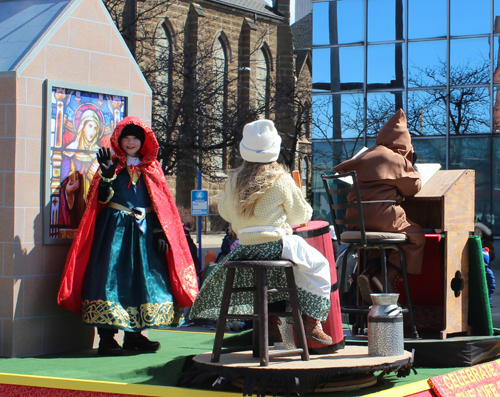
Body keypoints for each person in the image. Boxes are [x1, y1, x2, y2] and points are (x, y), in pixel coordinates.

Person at [57, 116, 199, 356]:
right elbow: (101, 200)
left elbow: (160, 206)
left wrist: (159, 232)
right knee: (110, 279)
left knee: (142, 280)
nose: (131, 142)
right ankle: (107, 338)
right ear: (119, 140)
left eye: (135, 138)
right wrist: (108, 175)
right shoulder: (111, 165)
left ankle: (135, 335)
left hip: (144, 236)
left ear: (143, 141)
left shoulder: (151, 169)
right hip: (114, 232)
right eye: (126, 137)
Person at [190, 119, 333, 345]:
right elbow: (300, 216)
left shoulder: (234, 180)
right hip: (274, 243)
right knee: (317, 265)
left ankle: (270, 320)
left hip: (245, 249)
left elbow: (226, 213)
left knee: (273, 274)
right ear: (274, 148)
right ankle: (311, 320)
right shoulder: (281, 179)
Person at [334, 109, 425, 304]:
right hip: (382, 217)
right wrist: (413, 168)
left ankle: (370, 271)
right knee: (416, 235)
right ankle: (389, 277)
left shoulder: (366, 153)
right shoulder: (395, 159)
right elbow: (413, 188)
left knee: (379, 242)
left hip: (355, 222)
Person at [475, 222, 496, 305]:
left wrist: (484, 255)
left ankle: (488, 303)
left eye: (478, 232)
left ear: (482, 234)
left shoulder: (488, 244)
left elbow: (492, 256)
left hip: (485, 267)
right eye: (475, 232)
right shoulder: (471, 241)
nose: (477, 234)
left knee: (487, 285)